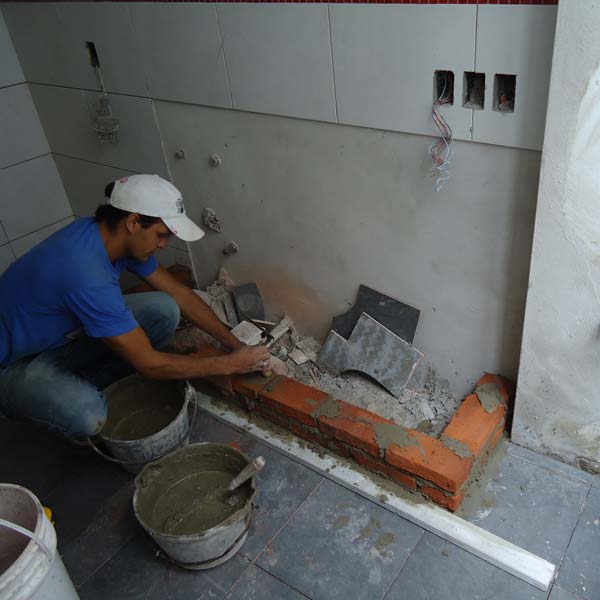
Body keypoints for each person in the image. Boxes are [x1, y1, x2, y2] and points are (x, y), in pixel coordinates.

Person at [0, 174, 270, 440]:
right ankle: (56, 392)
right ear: (133, 222)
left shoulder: (106, 236)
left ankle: (89, 378)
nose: (163, 244)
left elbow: (180, 294)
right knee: (89, 416)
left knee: (164, 308)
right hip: (16, 363)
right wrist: (227, 365)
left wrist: (235, 345)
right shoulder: (85, 274)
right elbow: (150, 364)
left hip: (61, 336)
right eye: (161, 235)